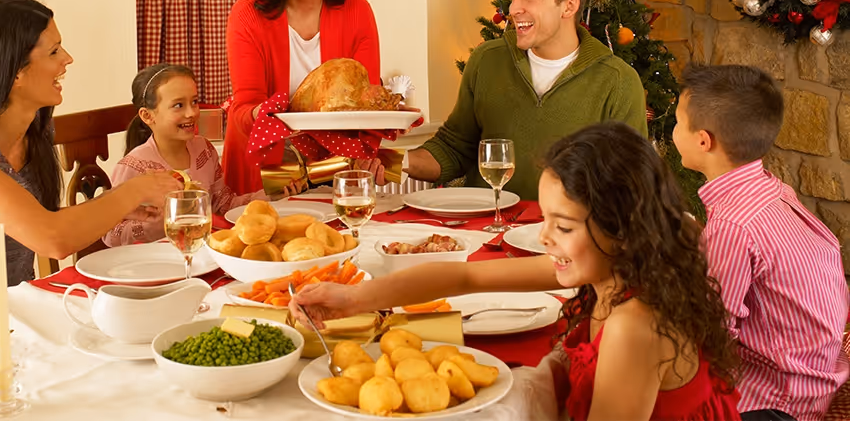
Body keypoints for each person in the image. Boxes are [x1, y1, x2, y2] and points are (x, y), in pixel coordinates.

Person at [294, 122, 740, 420]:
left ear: (620, 228)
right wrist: (349, 299)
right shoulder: (614, 269)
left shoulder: (634, 325)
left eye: (562, 226)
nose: (544, 238)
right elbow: (461, 277)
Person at [0, 0, 183, 321]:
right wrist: (132, 191)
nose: (68, 59)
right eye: (53, 51)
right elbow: (51, 238)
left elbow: (34, 220)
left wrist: (117, 208)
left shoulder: (34, 133)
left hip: (14, 316)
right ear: (14, 71)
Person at [361, 0, 646, 201]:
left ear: (569, 5)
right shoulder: (488, 60)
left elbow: (629, 186)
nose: (514, 8)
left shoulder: (617, 81)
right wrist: (394, 162)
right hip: (484, 234)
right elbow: (454, 147)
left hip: (564, 246)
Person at [673, 64, 850, 421]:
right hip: (818, 372)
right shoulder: (772, 190)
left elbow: (710, 332)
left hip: (776, 401)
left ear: (704, 140)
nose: (673, 130)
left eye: (678, 122)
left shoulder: (732, 225)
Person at [224, 0, 381, 194]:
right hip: (266, 167)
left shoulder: (356, 8)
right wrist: (263, 113)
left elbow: (367, 99)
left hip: (337, 166)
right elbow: (244, 110)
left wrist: (370, 155)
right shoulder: (249, 14)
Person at [103, 64, 303, 247]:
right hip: (152, 265)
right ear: (148, 116)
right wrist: (165, 222)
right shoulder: (134, 167)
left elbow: (223, 204)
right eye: (178, 105)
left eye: (195, 101)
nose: (191, 112)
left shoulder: (203, 150)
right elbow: (111, 234)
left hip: (201, 256)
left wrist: (269, 195)